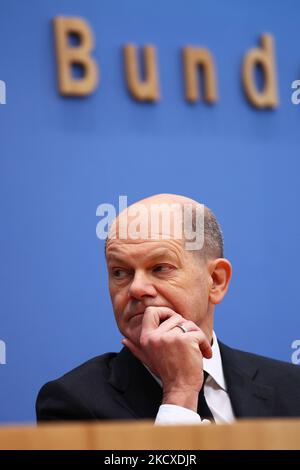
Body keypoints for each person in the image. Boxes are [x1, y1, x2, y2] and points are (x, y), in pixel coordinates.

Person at [36, 193, 300, 424]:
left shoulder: (291, 389)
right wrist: (180, 393)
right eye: (120, 272)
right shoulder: (72, 403)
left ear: (216, 281)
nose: (136, 288)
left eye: (160, 268)